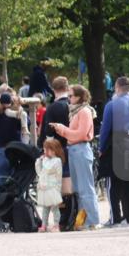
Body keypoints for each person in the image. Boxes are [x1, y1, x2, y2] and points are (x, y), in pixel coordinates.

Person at [98, 76, 129, 226]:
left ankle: (115, 218)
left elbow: (105, 129)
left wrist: (101, 148)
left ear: (117, 87)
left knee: (114, 184)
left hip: (116, 145)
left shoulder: (112, 105)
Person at [51, 85, 101, 229]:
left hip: (80, 149)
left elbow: (81, 134)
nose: (68, 98)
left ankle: (92, 221)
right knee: (78, 189)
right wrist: (62, 130)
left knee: (85, 188)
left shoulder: (84, 111)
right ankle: (82, 221)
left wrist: (63, 129)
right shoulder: (75, 111)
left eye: (71, 96)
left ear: (79, 97)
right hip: (74, 149)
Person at [0, 93, 23, 193]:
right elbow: (27, 123)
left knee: (0, 181)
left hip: (1, 152)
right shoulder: (13, 117)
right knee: (17, 182)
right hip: (16, 151)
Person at [35, 139, 64, 232]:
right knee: (45, 208)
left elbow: (58, 176)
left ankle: (56, 225)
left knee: (55, 208)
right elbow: (40, 172)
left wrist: (58, 189)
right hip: (44, 187)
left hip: (53, 187)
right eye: (45, 149)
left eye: (48, 149)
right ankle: (44, 225)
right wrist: (39, 161)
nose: (46, 151)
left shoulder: (57, 161)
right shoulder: (45, 160)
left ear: (54, 150)